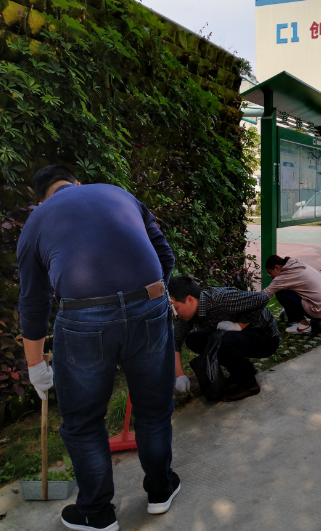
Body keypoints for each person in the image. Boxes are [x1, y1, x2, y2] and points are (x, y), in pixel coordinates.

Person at [18, 165, 180, 531]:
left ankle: (97, 514)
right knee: (154, 409)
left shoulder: (37, 221)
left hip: (84, 319)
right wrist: (156, 298)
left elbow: (33, 302)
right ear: (77, 182)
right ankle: (160, 491)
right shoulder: (119, 193)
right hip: (149, 305)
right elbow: (164, 255)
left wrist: (35, 366)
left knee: (83, 422)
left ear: (40, 199)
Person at [169, 275, 280, 402]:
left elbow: (262, 298)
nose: (175, 314)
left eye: (176, 308)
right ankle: (241, 371)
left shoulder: (219, 299)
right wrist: (180, 375)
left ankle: (250, 385)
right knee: (193, 340)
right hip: (239, 337)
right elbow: (175, 339)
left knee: (221, 342)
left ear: (190, 300)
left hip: (265, 338)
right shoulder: (190, 314)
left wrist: (239, 325)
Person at [264, 255, 321, 335]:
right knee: (302, 290)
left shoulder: (284, 276)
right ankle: (317, 321)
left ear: (277, 267)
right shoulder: (298, 265)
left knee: (280, 293)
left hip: (320, 311)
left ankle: (304, 325)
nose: (271, 277)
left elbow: (265, 294)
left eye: (270, 273)